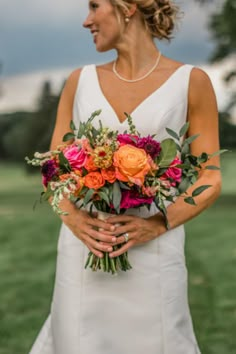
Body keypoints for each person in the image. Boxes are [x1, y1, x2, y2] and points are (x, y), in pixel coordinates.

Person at [29, 1, 221, 353]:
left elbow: (210, 176)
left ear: (128, 6)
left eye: (94, 6)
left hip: (154, 252)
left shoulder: (191, 82)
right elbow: (54, 168)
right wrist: (75, 221)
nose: (87, 20)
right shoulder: (79, 81)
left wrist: (160, 223)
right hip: (83, 251)